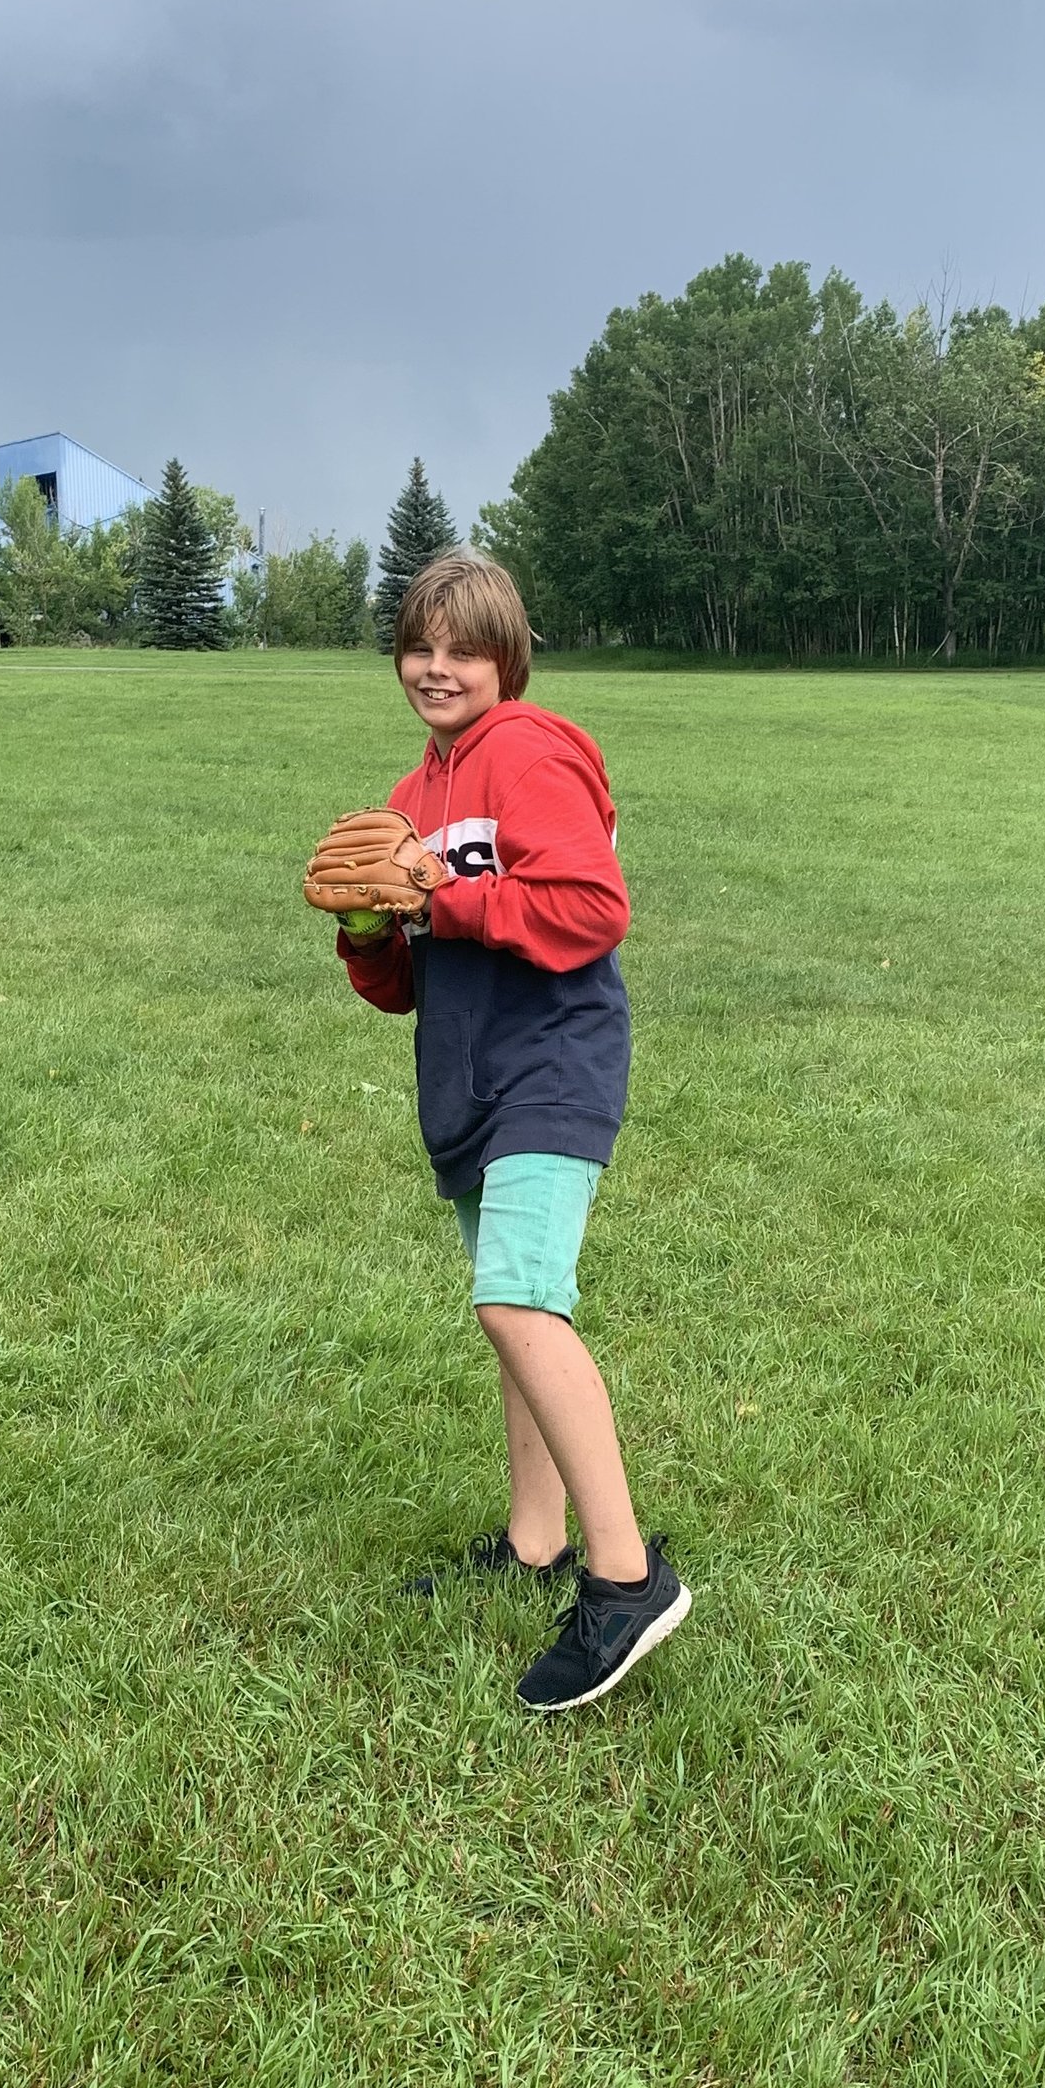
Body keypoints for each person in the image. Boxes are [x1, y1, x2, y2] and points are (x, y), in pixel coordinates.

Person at [330, 549, 690, 1711]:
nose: (436, 668)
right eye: (418, 647)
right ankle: (536, 1539)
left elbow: (590, 908)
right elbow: (404, 983)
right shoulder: (410, 794)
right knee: (513, 1314)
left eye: (462, 650)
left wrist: (444, 896)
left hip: (553, 1063)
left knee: (517, 1302)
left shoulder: (530, 752)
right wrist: (370, 932)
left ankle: (626, 1579)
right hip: (467, 1079)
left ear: (505, 660)